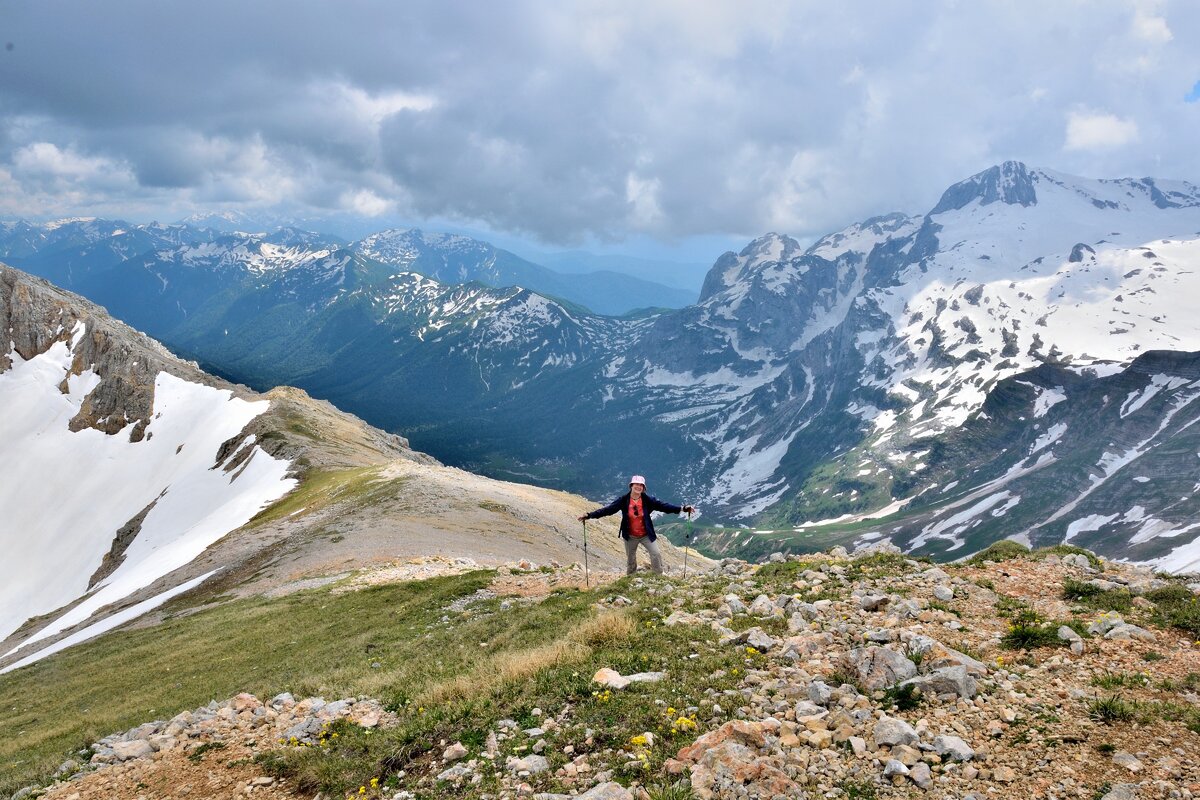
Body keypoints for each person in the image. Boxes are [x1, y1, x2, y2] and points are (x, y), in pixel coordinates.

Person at [578, 475, 695, 575]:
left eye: (641, 485)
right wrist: (589, 515)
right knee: (631, 558)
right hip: (630, 535)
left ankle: (658, 574)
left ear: (644, 488)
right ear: (631, 486)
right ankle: (631, 576)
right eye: (636, 484)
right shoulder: (623, 500)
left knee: (656, 553)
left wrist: (683, 509)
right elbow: (608, 510)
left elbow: (663, 506)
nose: (638, 487)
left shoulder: (648, 500)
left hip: (646, 534)